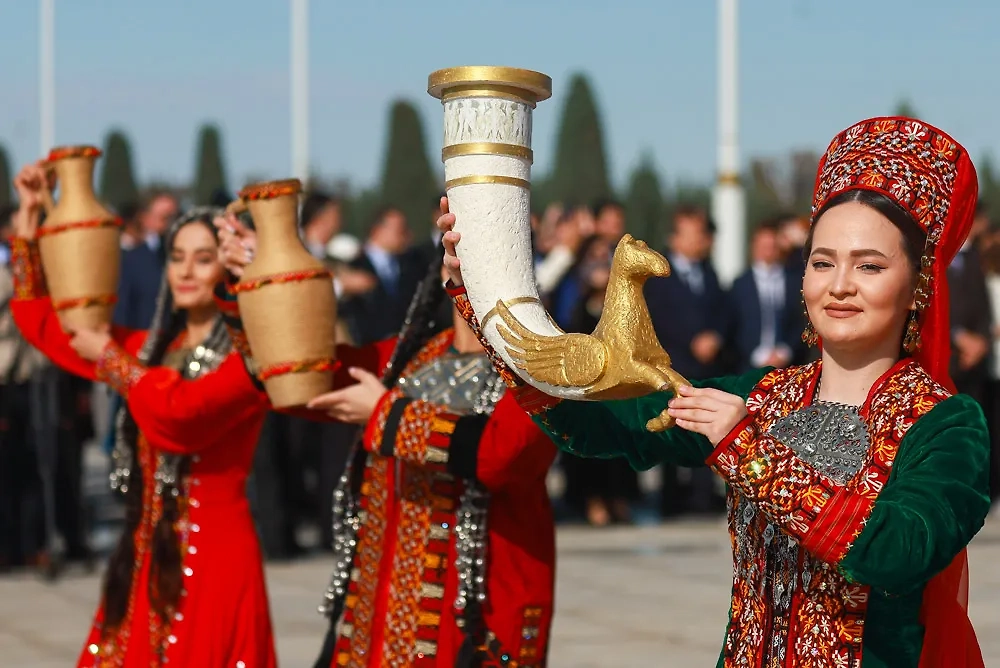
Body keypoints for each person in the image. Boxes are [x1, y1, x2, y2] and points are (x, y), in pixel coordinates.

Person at [438, 117, 989, 666]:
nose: (839, 284)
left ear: (918, 284)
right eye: (822, 262)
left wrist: (747, 450)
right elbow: (603, 424)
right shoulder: (764, 396)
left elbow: (897, 550)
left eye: (869, 266)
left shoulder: (946, 423)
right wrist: (487, 290)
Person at [217, 213, 557, 668]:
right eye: (458, 246)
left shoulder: (542, 367)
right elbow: (301, 382)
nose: (469, 261)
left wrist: (386, 413)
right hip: (387, 608)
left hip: (482, 611)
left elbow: (503, 455)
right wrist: (263, 278)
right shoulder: (411, 357)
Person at [10, 162, 276, 667]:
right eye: (177, 257)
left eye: (203, 258)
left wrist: (112, 361)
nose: (186, 271)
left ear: (227, 267)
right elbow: (45, 327)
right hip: (147, 557)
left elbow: (181, 418)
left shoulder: (249, 360)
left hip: (216, 559)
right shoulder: (153, 352)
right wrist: (27, 226)